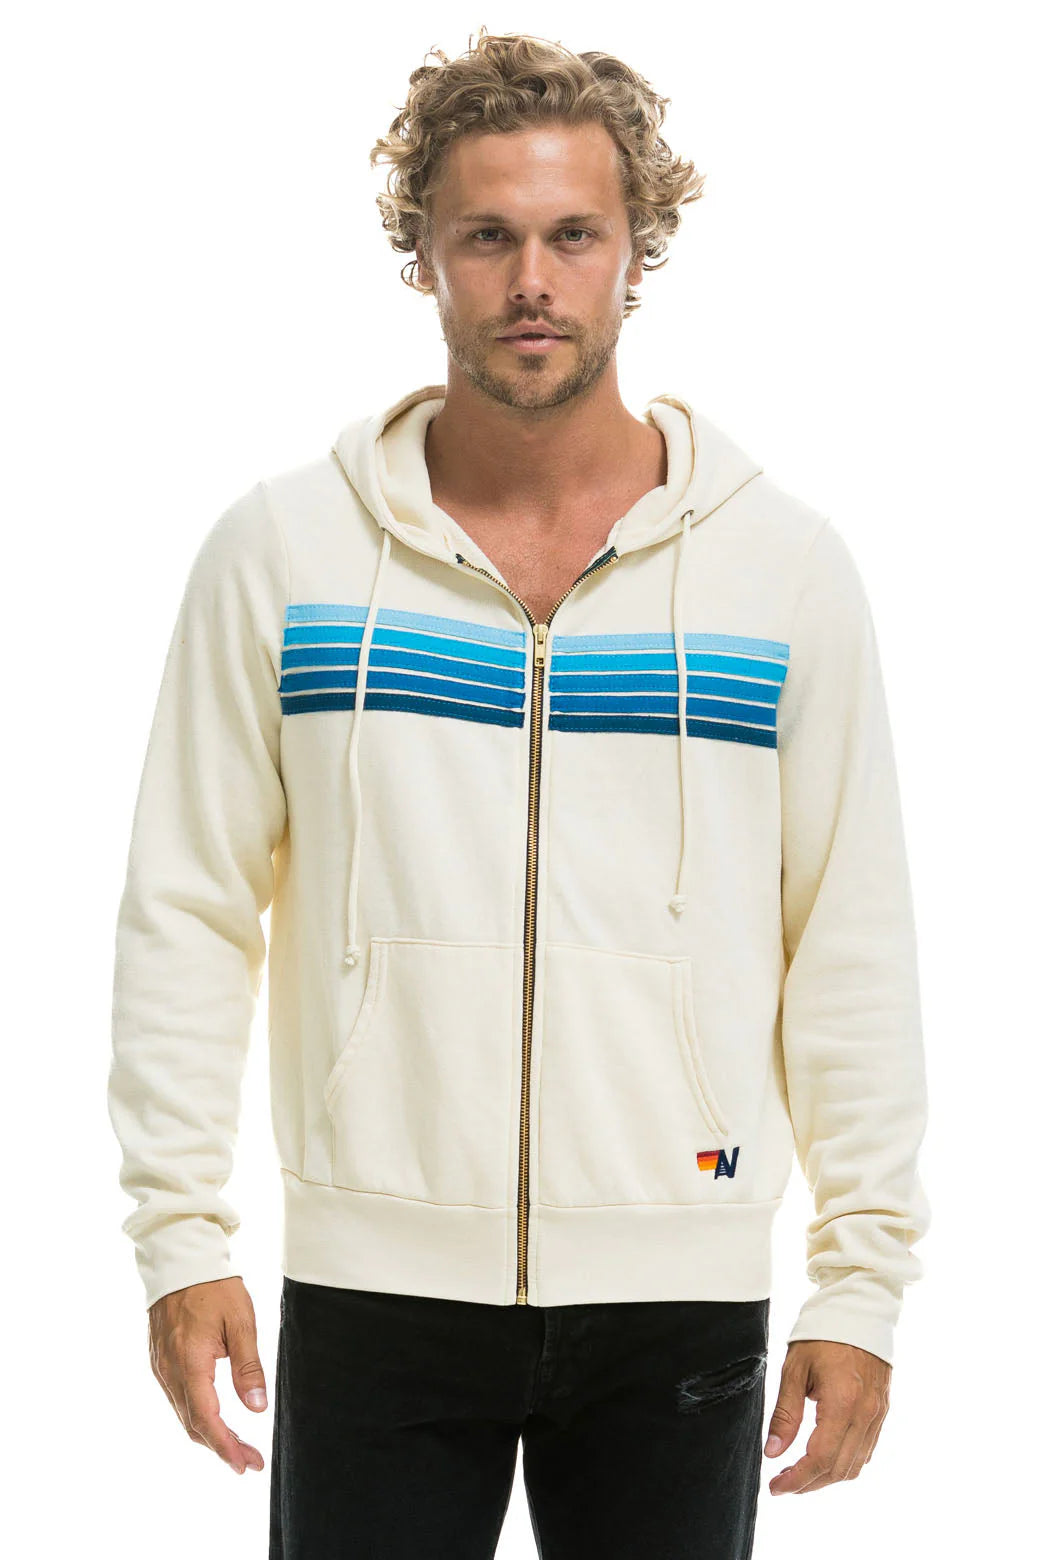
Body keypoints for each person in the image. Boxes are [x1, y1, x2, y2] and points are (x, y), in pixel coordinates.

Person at [107, 27, 931, 1559]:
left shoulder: (782, 573)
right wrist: (178, 1236)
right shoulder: (284, 557)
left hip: (681, 1283)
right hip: (373, 1281)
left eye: (573, 235)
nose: (531, 281)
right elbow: (186, 909)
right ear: (422, 252)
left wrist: (860, 1281)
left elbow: (851, 939)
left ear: (638, 252)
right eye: (487, 236)